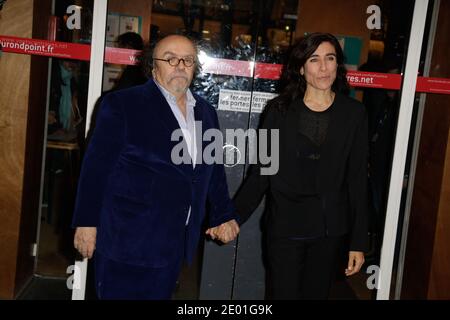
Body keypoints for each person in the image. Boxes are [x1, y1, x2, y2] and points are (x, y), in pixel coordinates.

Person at [72, 34, 239, 300]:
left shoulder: (205, 112)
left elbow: (213, 169)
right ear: (152, 66)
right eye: (170, 59)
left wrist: (222, 214)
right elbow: (95, 169)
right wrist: (86, 223)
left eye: (187, 60)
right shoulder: (123, 105)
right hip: (126, 243)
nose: (180, 65)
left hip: (173, 244)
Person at [230, 32, 369, 299]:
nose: (324, 67)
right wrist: (234, 216)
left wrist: (358, 242)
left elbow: (357, 180)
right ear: (301, 68)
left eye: (330, 58)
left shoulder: (354, 113)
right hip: (285, 228)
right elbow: (262, 171)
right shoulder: (279, 111)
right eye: (314, 60)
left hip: (329, 231)